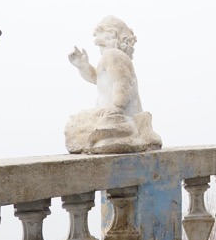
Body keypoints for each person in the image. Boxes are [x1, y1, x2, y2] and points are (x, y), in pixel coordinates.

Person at [64, 16, 163, 154]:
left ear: (110, 36)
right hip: (114, 111)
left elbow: (122, 82)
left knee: (79, 126)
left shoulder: (113, 55)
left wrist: (117, 106)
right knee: (81, 125)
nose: (98, 47)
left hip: (122, 114)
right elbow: (96, 79)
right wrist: (83, 66)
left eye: (99, 43)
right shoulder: (109, 57)